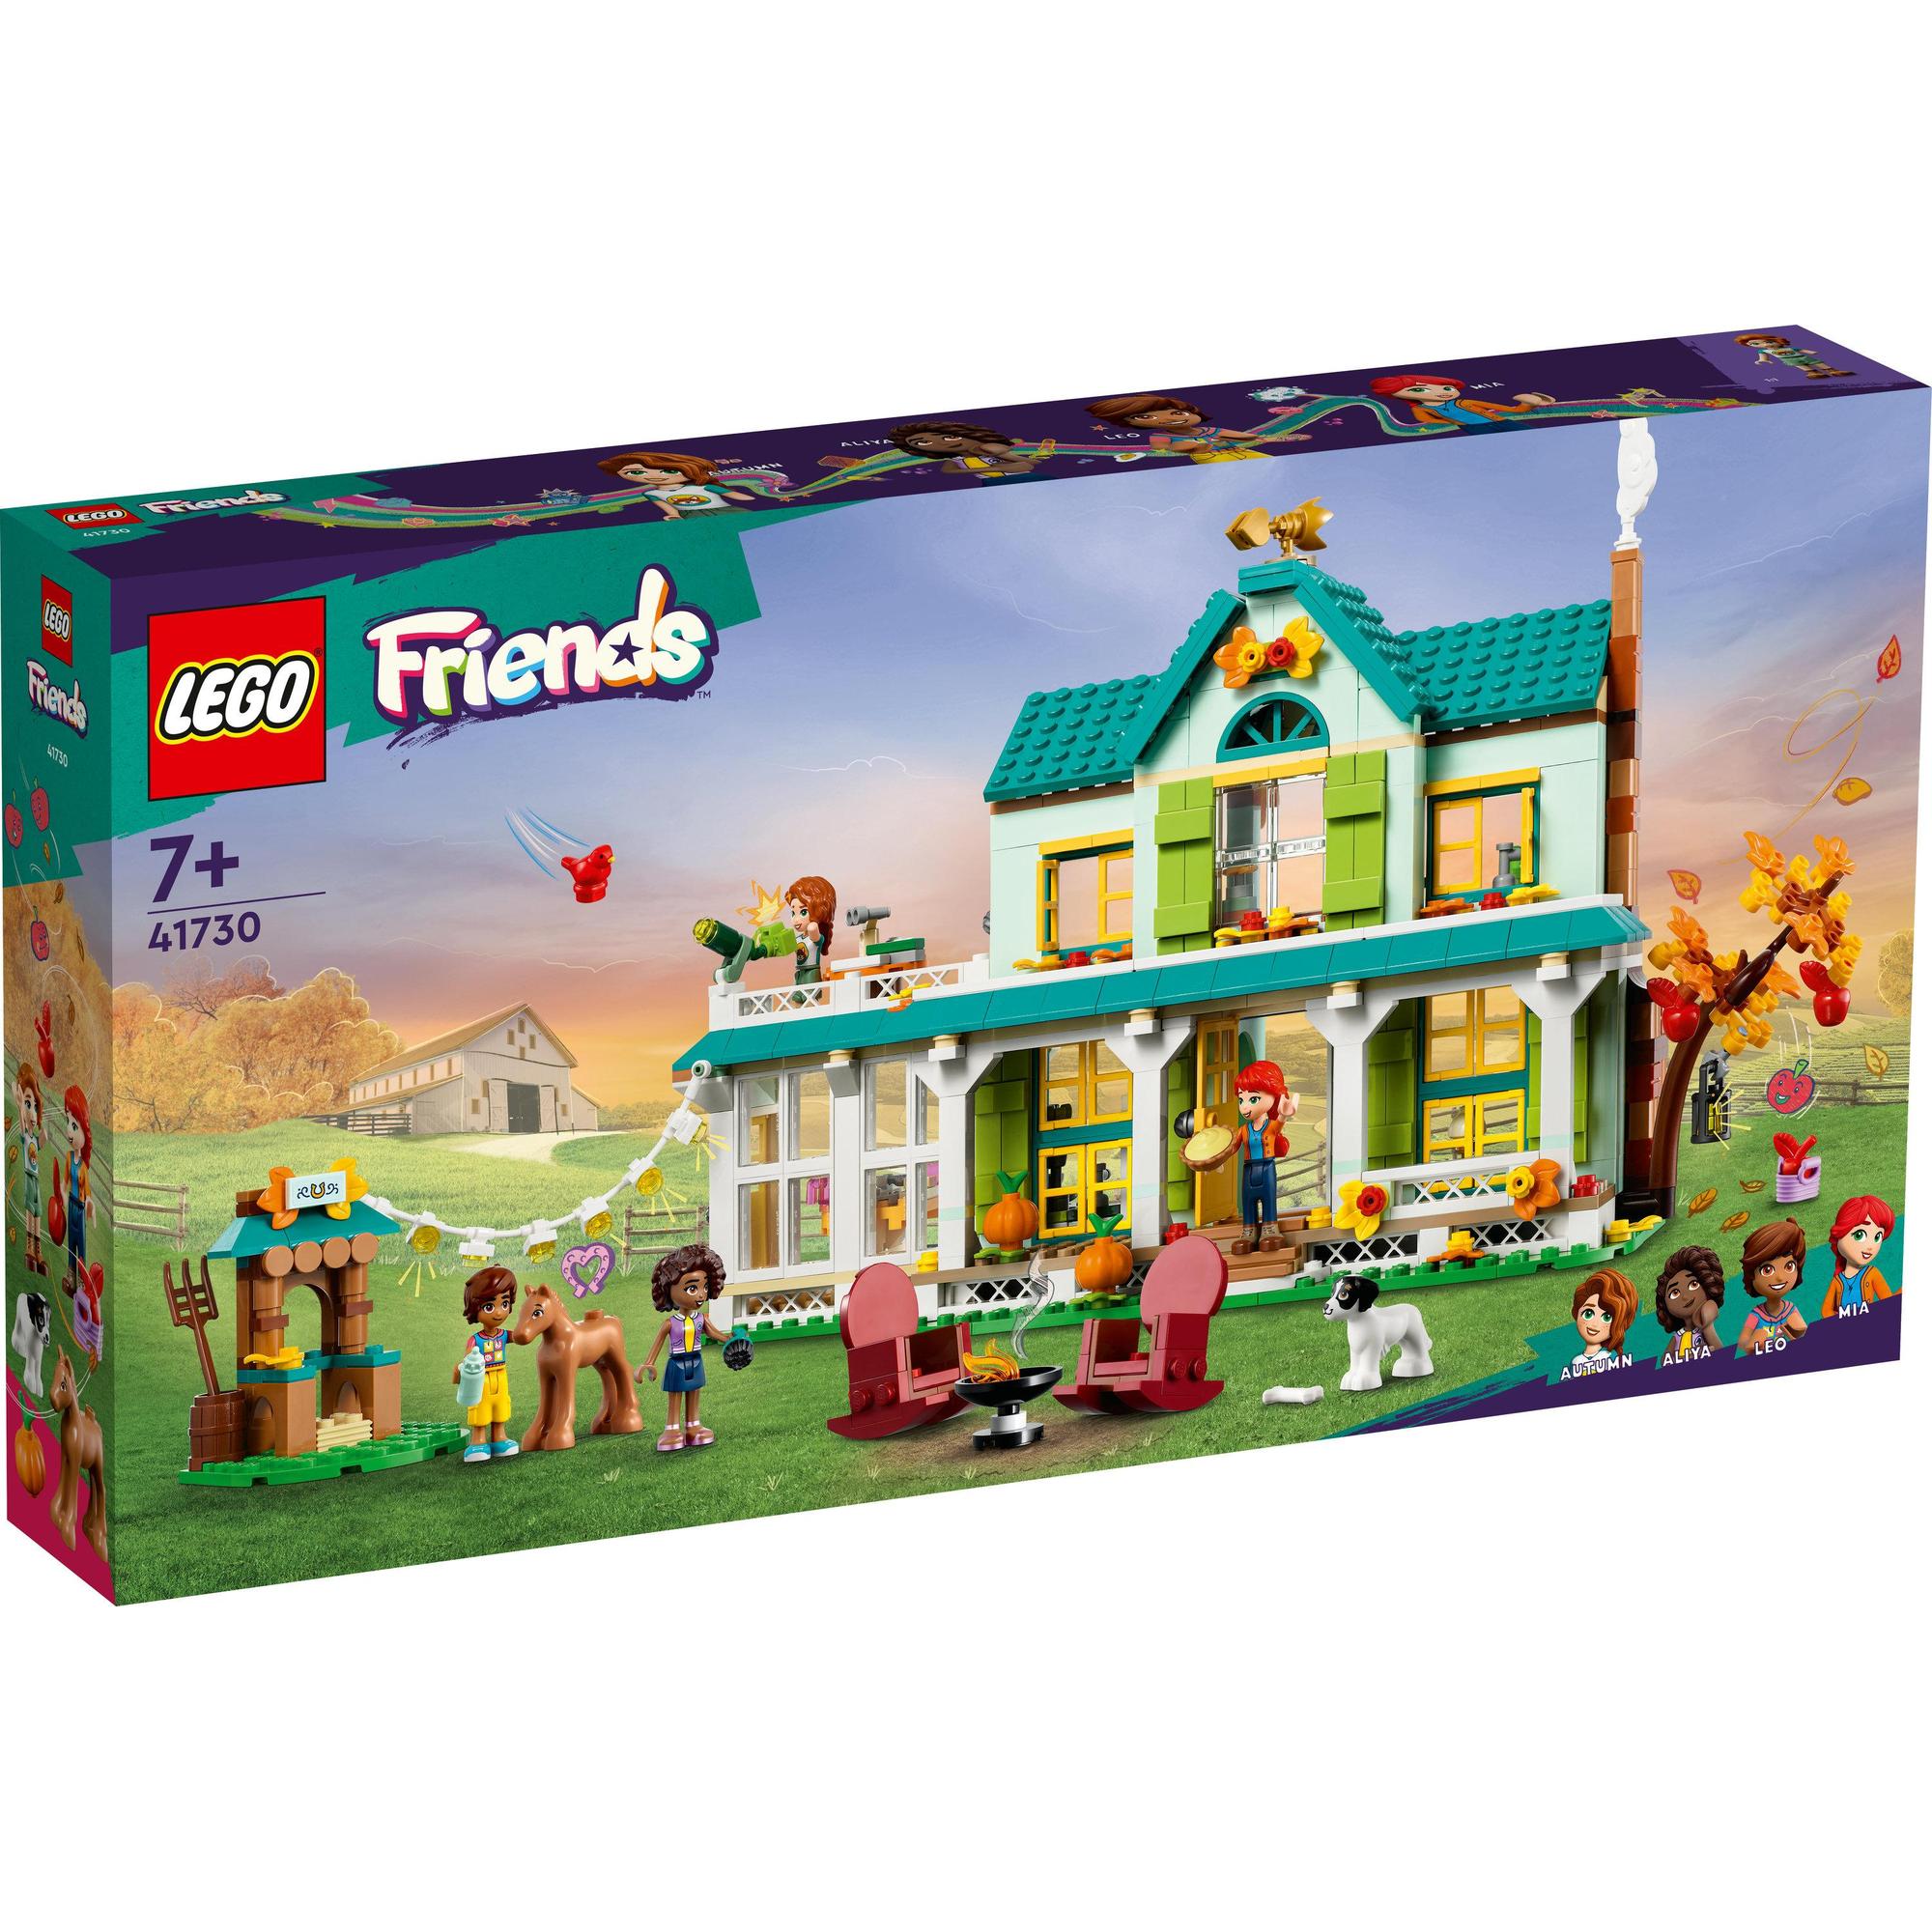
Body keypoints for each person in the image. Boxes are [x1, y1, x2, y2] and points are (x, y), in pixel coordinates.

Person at [638, 1243, 732, 1451]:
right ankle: (672, 1429)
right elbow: (658, 1343)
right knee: (675, 1394)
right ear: (669, 1290)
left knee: (694, 1391)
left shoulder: (701, 1318)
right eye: (692, 1288)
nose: (701, 1295)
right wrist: (648, 1364)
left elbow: (713, 1333)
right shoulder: (671, 1323)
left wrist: (727, 1338)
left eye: (704, 1287)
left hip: (696, 1360)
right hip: (677, 1362)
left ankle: (693, 1426)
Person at [453, 1264, 520, 1463]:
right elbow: (466, 1361)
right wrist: (462, 1374)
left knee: (501, 1407)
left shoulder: (504, 1335)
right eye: (489, 1307)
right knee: (480, 1408)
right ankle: (478, 1441)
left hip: (501, 1376)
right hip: (481, 1379)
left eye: (504, 1303)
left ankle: (500, 1438)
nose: (498, 1312)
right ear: (476, 1308)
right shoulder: (475, 1340)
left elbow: (520, 1336)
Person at [1230, 1060, 1296, 1256]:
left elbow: (1280, 1123)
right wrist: (1216, 1161)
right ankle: (1249, 1230)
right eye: (1241, 1100)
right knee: (1248, 1199)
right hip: (1249, 1169)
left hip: (1267, 1167)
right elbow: (1231, 1147)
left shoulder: (1271, 1127)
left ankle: (1270, 1228)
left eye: (1253, 1099)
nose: (1245, 1106)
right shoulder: (1243, 1130)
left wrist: (1284, 1114)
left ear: (1273, 1096)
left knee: (1268, 1198)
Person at [1084, 393, 1272, 461]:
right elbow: (1165, 449)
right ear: (1131, 423)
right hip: (1211, 459)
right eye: (1145, 417)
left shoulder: (1212, 430)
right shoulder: (1160, 436)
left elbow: (1243, 436)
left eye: (1178, 413)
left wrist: (1261, 438)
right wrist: (1195, 446)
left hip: (1244, 454)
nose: (1167, 419)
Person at [594, 449, 756, 518]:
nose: (655, 476)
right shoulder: (652, 493)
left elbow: (733, 494)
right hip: (690, 515)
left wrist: (752, 499)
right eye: (636, 473)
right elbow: (667, 507)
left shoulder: (703, 486)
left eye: (670, 471)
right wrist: (674, 516)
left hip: (724, 510)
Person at [1367, 373, 1555, 431]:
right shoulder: (1422, 409)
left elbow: (1510, 410)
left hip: (1500, 421)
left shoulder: (1465, 402)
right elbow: (1427, 421)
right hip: (1474, 429)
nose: (1441, 393)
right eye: (1419, 390)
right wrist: (1455, 423)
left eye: (1447, 388)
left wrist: (1527, 404)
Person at [1738, 1219, 1809, 1352]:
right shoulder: (1756, 1315)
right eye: (1767, 1270)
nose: (1780, 1278)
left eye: (1789, 1266)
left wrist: (1796, 1331)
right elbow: (1742, 1342)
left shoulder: (1791, 1309)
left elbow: (1802, 1333)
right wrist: (1755, 1341)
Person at [1821, 1196, 1897, 1316]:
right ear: (1839, 1235)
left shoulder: (1872, 1274)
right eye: (1859, 1235)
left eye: (1877, 1237)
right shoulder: (1837, 1281)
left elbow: (1888, 1303)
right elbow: (1826, 1311)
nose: (1870, 1246)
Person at [1655, 1245, 1726, 1359]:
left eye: (1693, 1284)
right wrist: (1681, 1359)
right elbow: (1664, 1360)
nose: (1684, 1297)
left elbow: (1721, 1354)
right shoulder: (1678, 1336)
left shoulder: (1704, 1330)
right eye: (1675, 1293)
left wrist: (1708, 1325)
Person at [1572, 1267, 1639, 1367]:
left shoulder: (1610, 1358)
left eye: (1607, 1317)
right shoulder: (1576, 1361)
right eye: (1588, 1314)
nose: (1594, 1324)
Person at [14, 1065, 44, 1276]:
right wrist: (19, 1107)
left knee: (38, 1211)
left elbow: (40, 1145)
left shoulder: (34, 1138)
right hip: (28, 1176)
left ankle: (38, 1249)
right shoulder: (26, 1136)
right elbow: (22, 1126)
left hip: (37, 1178)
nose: (32, 1111)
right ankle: (29, 1247)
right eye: (28, 1104)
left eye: (34, 1105)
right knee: (30, 1209)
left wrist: (44, 1137)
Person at [785, 874, 837, 985]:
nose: (796, 919)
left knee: (809, 995)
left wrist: (816, 918)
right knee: (795, 995)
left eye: (803, 912)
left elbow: (813, 929)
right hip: (799, 971)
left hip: (811, 972)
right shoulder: (798, 938)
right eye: (793, 913)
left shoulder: (816, 936)